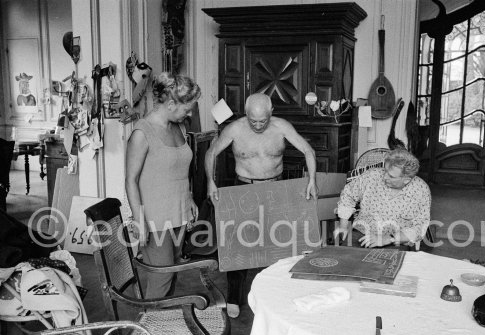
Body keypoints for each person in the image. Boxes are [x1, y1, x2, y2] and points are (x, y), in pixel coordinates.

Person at [205, 92, 317, 318]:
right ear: (245, 114)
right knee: (238, 246)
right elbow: (211, 153)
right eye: (252, 120)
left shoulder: (281, 126)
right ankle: (234, 298)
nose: (257, 125)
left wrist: (312, 180)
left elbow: (308, 150)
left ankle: (275, 296)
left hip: (275, 188)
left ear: (271, 113)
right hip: (243, 188)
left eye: (262, 120)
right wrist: (210, 181)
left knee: (280, 244)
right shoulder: (235, 129)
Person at [125, 72, 200, 298]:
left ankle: (163, 320)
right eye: (187, 108)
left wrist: (190, 198)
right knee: (162, 275)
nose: (191, 113)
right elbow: (131, 180)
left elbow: (176, 169)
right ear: (170, 104)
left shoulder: (177, 127)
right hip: (154, 218)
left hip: (178, 212)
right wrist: (139, 221)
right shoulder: (142, 132)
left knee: (173, 270)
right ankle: (148, 327)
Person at [334, 149, 431, 250]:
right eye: (385, 171)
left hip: (396, 241)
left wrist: (387, 239)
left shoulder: (420, 190)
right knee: (344, 260)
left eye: (391, 176)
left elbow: (419, 228)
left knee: (388, 265)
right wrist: (343, 226)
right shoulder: (372, 176)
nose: (384, 177)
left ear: (406, 180)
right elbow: (348, 194)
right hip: (362, 233)